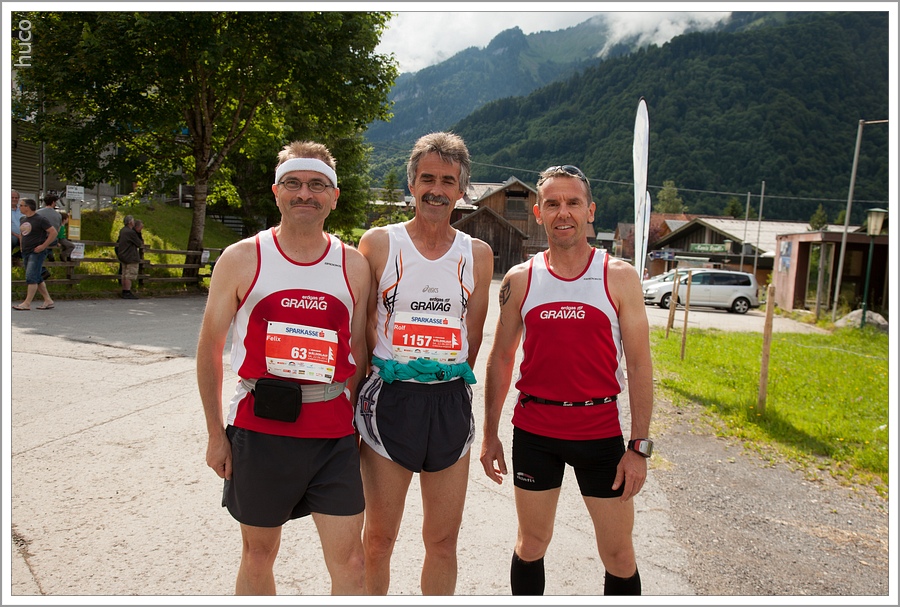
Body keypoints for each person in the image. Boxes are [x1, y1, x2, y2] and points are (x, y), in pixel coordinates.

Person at [196, 140, 370, 596]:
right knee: (258, 556)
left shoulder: (353, 264)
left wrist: (356, 425)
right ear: (276, 192)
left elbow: (357, 349)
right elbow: (210, 347)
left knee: (353, 563)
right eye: (293, 183)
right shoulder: (242, 258)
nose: (304, 193)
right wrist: (215, 434)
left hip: (332, 434)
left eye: (317, 185)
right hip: (260, 430)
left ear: (334, 196)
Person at [479, 164, 654, 595]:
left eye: (573, 202)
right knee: (531, 544)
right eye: (552, 203)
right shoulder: (521, 279)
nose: (563, 212)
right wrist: (489, 434)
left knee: (619, 555)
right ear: (538, 212)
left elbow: (639, 365)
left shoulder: (619, 276)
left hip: (600, 434)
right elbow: (501, 357)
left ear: (589, 211)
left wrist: (639, 447)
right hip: (536, 433)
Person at [354, 131, 494, 595]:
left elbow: (473, 336)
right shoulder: (379, 243)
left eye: (448, 181)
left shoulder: (477, 254)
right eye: (428, 178)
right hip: (390, 399)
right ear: (411, 184)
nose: (437, 189)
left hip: (449, 403)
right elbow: (362, 329)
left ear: (462, 190)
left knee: (443, 541)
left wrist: (443, 371)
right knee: (378, 540)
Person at [12, 198, 57, 311]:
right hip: (26, 251)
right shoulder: (23, 219)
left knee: (31, 276)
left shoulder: (40, 219)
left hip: (36, 252)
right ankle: (48, 300)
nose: (19, 207)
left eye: (21, 205)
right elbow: (22, 234)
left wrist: (44, 246)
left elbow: (53, 232)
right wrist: (21, 247)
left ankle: (27, 303)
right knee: (37, 276)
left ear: (27, 207)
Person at [116, 215, 143, 299]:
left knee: (124, 274)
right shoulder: (131, 232)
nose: (134, 222)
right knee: (129, 275)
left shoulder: (123, 230)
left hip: (123, 255)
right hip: (130, 256)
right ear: (130, 222)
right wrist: (138, 233)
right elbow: (139, 243)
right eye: (133, 221)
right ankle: (127, 291)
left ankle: (124, 291)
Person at [36, 194, 62, 260]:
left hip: (39, 239)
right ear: (53, 202)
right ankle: (49, 253)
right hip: (52, 240)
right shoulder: (58, 215)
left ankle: (48, 253)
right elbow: (58, 230)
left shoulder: (37, 213)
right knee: (51, 238)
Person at [11, 189, 23, 263]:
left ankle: (15, 256)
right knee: (11, 240)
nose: (14, 199)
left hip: (23, 235)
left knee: (33, 242)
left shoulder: (22, 210)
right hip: (12, 235)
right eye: (12, 197)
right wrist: (16, 235)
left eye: (16, 198)